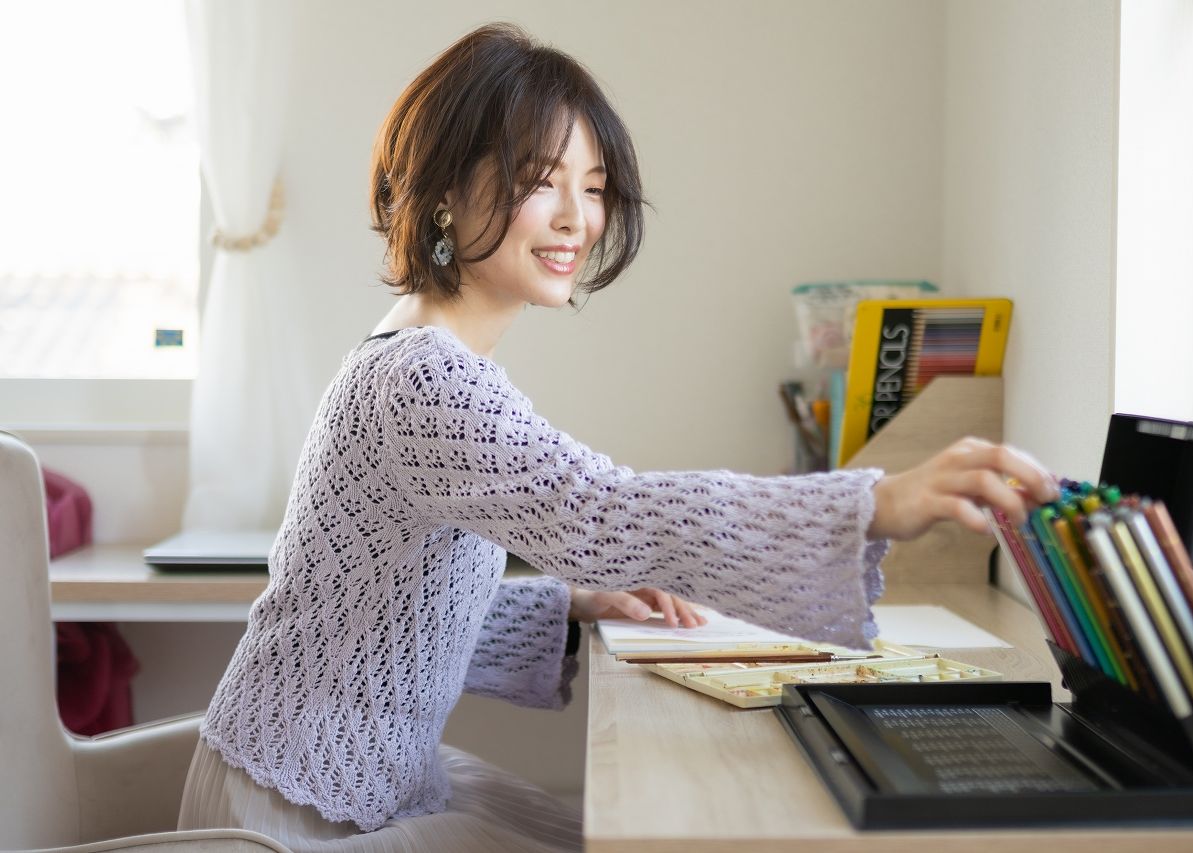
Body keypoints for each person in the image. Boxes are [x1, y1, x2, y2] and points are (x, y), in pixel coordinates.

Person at [177, 22, 1058, 853]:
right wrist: (873, 502)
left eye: (592, 187)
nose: (575, 218)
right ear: (446, 190)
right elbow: (603, 509)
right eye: (539, 180)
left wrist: (570, 607)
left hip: (342, 787)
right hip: (292, 816)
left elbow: (391, 619)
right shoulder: (424, 379)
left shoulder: (427, 362)